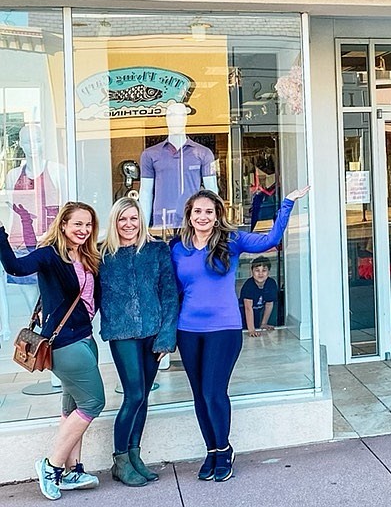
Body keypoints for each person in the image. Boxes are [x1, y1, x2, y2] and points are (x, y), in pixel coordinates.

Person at [170, 184, 309, 483]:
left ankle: (224, 449)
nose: (203, 216)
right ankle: (211, 451)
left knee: (213, 391)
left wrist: (287, 203)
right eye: (198, 212)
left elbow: (272, 239)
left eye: (209, 211)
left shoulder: (231, 241)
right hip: (188, 330)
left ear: (217, 214)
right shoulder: (178, 247)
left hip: (224, 329)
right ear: (190, 215)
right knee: (199, 396)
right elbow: (175, 291)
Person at [0, 202, 104, 501]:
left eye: (87, 225)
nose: (83, 230)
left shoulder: (86, 255)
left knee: (72, 406)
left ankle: (73, 471)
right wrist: (1, 233)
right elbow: (15, 267)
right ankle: (51, 466)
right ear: (63, 225)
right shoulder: (50, 255)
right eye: (77, 224)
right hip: (64, 342)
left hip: (85, 337)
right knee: (93, 402)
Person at [99, 197, 179, 487]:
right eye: (122, 219)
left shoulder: (157, 250)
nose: (128, 225)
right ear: (114, 222)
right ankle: (120, 460)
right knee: (133, 394)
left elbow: (170, 294)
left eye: (133, 218)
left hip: (153, 333)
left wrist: (166, 336)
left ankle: (134, 456)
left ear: (141, 220)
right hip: (122, 334)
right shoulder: (102, 255)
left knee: (143, 396)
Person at [139, 102, 217, 230]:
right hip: (162, 219)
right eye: (171, 115)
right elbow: (145, 192)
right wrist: (143, 229)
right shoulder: (150, 154)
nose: (175, 119)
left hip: (194, 218)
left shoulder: (203, 153)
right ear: (166, 119)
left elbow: (212, 191)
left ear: (186, 118)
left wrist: (214, 225)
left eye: (180, 115)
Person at [239, 257, 278, 335]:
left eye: (264, 270)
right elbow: (248, 308)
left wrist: (263, 324)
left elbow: (269, 304)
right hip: (242, 313)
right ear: (252, 272)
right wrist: (251, 329)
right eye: (257, 270)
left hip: (257, 311)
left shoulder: (271, 284)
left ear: (269, 272)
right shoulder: (248, 285)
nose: (260, 273)